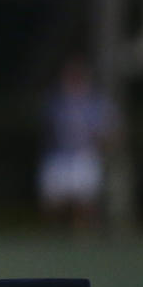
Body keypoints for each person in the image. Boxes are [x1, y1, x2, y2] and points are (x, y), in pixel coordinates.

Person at [37, 57, 116, 230]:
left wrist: (103, 147)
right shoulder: (55, 102)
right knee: (53, 201)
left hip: (84, 154)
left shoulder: (96, 103)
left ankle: (84, 233)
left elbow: (108, 130)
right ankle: (56, 232)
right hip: (59, 155)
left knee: (85, 200)